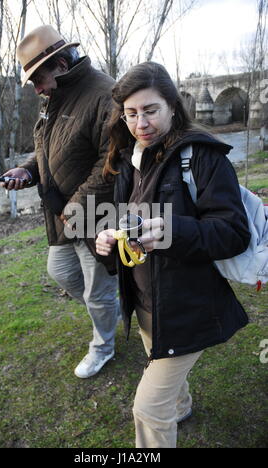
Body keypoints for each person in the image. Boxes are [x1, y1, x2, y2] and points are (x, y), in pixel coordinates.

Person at [96, 61, 251, 448]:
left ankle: (167, 412)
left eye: (150, 110)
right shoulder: (128, 160)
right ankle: (180, 406)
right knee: (161, 368)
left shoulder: (202, 157)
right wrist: (109, 243)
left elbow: (233, 233)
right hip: (148, 302)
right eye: (131, 114)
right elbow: (126, 223)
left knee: (148, 410)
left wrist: (172, 230)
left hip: (189, 305)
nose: (140, 123)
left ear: (172, 106)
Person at [0, 25, 120, 379]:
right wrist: (27, 171)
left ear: (62, 64)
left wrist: (76, 209)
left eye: (38, 78)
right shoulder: (54, 100)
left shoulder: (104, 94)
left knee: (98, 293)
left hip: (95, 215)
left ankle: (104, 347)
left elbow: (111, 163)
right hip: (61, 215)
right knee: (62, 271)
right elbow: (47, 153)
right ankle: (112, 310)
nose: (36, 88)